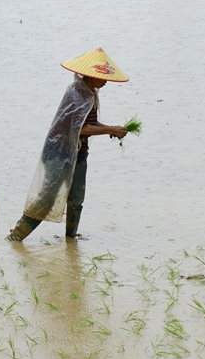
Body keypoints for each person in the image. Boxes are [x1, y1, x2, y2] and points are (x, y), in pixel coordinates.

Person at [7, 48, 129, 241]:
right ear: (90, 75)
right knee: (47, 198)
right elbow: (79, 129)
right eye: (102, 76)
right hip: (59, 154)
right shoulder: (76, 94)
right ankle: (16, 237)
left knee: (76, 200)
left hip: (79, 154)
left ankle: (71, 241)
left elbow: (89, 124)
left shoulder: (90, 94)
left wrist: (112, 128)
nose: (106, 80)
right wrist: (110, 130)